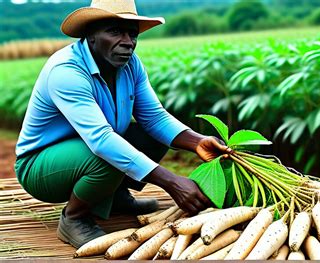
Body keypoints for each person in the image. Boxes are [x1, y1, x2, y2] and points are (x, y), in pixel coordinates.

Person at [14, 0, 230, 248]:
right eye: (115, 32)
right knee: (107, 154)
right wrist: (172, 182)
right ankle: (74, 217)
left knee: (150, 136)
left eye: (132, 34)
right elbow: (101, 140)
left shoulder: (131, 64)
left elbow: (155, 117)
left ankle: (113, 196)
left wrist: (197, 141)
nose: (127, 42)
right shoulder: (66, 70)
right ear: (91, 36)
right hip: (40, 166)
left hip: (88, 150)